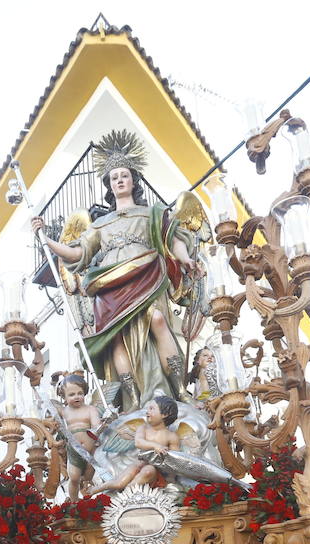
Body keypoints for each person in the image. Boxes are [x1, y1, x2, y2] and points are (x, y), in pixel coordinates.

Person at [32, 130, 204, 412]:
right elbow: (78, 253)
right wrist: (47, 241)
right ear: (109, 185)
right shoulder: (100, 224)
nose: (119, 181)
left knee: (159, 321)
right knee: (118, 344)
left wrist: (185, 259)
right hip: (111, 287)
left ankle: (179, 389)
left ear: (133, 180)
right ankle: (132, 399)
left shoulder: (153, 213)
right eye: (114, 178)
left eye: (124, 175)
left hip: (147, 277)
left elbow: (173, 239)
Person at [90, 396, 181, 493]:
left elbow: (174, 460)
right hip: (139, 463)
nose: (147, 412)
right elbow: (139, 442)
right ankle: (99, 488)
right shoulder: (143, 428)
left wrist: (171, 478)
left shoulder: (172, 436)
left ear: (165, 414)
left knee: (148, 471)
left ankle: (127, 491)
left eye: (151, 408)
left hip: (156, 470)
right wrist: (155, 446)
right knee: (119, 483)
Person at [56, 373, 104, 501]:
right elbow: (49, 406)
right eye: (71, 395)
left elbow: (96, 425)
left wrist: (99, 427)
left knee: (88, 477)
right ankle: (74, 501)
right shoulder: (64, 411)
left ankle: (88, 497)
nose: (76, 397)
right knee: (74, 478)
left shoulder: (90, 409)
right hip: (74, 450)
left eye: (80, 393)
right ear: (64, 397)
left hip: (91, 450)